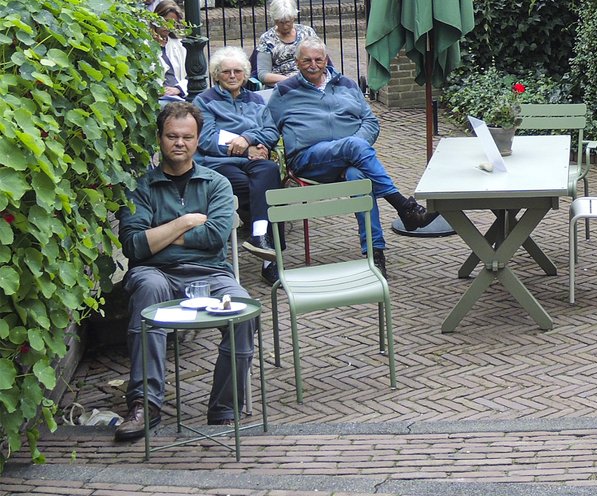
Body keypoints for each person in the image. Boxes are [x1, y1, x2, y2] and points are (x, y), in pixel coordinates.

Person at [113, 102, 254, 442]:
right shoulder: (140, 187)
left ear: (198, 139)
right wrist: (187, 221)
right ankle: (144, 404)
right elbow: (134, 246)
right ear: (159, 139)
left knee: (244, 308)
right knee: (147, 290)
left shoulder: (217, 184)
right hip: (155, 273)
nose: (179, 143)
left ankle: (223, 408)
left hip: (211, 273)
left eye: (187, 137)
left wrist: (160, 235)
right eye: (172, 136)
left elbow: (214, 237)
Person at [267, 38, 438, 275]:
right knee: (353, 147)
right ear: (297, 62)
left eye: (318, 59)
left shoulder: (346, 84)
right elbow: (265, 126)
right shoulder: (284, 92)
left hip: (351, 158)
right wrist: (253, 143)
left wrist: (355, 148)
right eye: (306, 60)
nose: (313, 65)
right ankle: (404, 206)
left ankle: (374, 254)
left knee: (359, 175)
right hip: (308, 160)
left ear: (326, 60)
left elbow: (370, 122)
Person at [195, 47, 283, 284]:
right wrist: (245, 146)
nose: (232, 76)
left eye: (237, 71)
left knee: (270, 172)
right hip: (219, 162)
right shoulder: (204, 102)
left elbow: (271, 130)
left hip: (253, 159)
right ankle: (269, 254)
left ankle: (261, 243)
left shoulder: (255, 99)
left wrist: (250, 139)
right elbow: (207, 138)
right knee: (263, 189)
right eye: (226, 72)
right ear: (216, 75)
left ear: (245, 74)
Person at [256, 0, 317, 87]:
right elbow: (263, 75)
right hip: (282, 86)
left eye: (288, 21)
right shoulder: (267, 39)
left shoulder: (307, 33)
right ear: (274, 19)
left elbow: (321, 61)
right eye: (280, 22)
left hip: (310, 83)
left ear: (294, 16)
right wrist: (292, 81)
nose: (284, 26)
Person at [151, 0, 187, 100]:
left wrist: (178, 89)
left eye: (173, 23)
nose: (168, 26)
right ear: (155, 19)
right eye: (165, 21)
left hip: (178, 96)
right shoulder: (145, 44)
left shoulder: (179, 45)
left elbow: (189, 76)